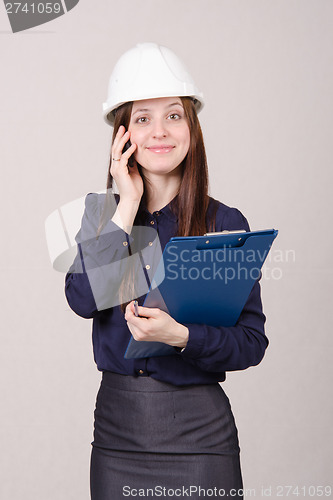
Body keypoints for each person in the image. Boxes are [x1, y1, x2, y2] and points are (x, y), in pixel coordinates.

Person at [65, 43, 268, 500]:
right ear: (122, 136)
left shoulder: (224, 224)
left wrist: (181, 336)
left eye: (173, 116)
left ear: (191, 129)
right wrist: (127, 205)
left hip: (201, 439)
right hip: (118, 438)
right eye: (142, 118)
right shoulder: (103, 217)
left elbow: (251, 343)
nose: (160, 131)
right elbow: (81, 298)